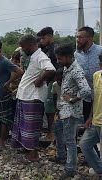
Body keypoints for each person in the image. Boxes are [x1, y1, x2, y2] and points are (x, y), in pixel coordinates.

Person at [11, 35, 56, 162]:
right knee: (24, 126)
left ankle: (34, 154)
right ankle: (27, 148)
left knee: (31, 127)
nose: (22, 50)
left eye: (24, 47)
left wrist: (40, 79)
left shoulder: (41, 56)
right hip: (26, 96)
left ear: (30, 45)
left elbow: (51, 69)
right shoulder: (33, 56)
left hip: (33, 97)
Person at [53, 44, 91, 178]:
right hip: (63, 109)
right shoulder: (66, 68)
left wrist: (73, 99)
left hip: (71, 112)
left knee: (70, 141)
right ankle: (62, 157)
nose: (58, 61)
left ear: (69, 56)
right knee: (57, 131)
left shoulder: (76, 71)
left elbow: (86, 91)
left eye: (60, 59)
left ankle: (70, 169)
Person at [80, 54, 102, 177]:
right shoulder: (96, 76)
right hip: (95, 120)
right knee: (85, 144)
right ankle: (99, 169)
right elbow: (95, 98)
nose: (99, 64)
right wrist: (90, 117)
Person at [75, 26, 102, 127]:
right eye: (77, 37)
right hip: (86, 97)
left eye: (80, 37)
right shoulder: (76, 55)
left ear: (90, 38)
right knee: (89, 125)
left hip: (100, 96)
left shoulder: (100, 51)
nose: (77, 40)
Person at [37, 27, 59, 140]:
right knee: (46, 108)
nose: (42, 40)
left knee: (50, 109)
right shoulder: (44, 48)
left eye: (43, 38)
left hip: (53, 81)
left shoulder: (55, 48)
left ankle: (51, 134)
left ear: (50, 36)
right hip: (46, 81)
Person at [46, 68, 63, 157]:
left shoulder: (66, 85)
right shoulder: (55, 85)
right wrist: (56, 109)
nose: (59, 82)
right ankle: (56, 147)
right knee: (56, 128)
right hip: (58, 108)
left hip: (66, 109)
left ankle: (60, 150)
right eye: (58, 80)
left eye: (61, 80)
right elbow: (54, 97)